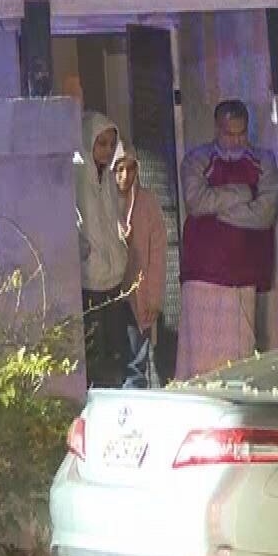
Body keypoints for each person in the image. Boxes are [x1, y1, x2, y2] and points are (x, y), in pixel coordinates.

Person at [178, 99, 278, 378]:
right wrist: (243, 194)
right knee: (199, 362)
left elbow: (264, 214)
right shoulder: (197, 160)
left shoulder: (264, 161)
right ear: (216, 129)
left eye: (241, 133)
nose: (235, 141)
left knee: (239, 360)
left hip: (244, 273)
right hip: (202, 274)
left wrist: (220, 212)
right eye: (228, 134)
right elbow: (197, 202)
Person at [76, 110, 134, 387]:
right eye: (102, 143)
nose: (108, 151)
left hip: (113, 279)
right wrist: (82, 250)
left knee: (116, 353)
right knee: (94, 356)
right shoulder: (76, 176)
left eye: (112, 144)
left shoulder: (109, 178)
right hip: (89, 281)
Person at [115, 152, 167, 387]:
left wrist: (154, 298)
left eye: (131, 169)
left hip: (138, 295)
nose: (125, 177)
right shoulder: (102, 201)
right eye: (119, 170)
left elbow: (157, 254)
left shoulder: (147, 203)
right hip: (105, 292)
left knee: (136, 367)